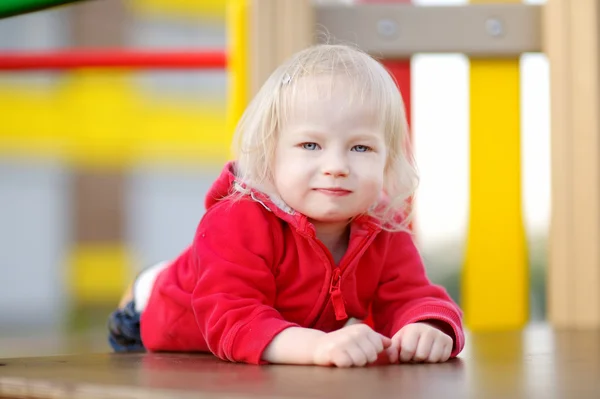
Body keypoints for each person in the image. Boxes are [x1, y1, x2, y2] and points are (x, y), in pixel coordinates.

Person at [108, 43, 465, 367]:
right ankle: (149, 282)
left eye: (361, 148)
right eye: (310, 145)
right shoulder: (238, 219)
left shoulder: (381, 226)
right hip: (161, 320)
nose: (336, 166)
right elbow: (232, 318)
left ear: (388, 160)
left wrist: (425, 326)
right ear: (270, 154)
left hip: (278, 335)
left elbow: (409, 294)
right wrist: (317, 347)